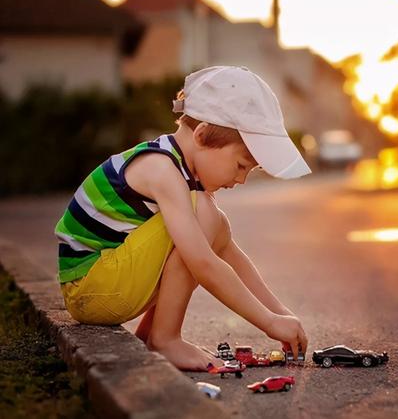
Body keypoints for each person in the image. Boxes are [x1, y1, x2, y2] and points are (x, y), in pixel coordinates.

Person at [54, 66, 311, 371]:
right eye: (241, 165)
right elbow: (203, 263)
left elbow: (230, 256)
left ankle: (155, 335)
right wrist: (268, 323)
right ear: (202, 135)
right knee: (204, 213)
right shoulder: (161, 169)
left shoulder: (178, 172)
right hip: (92, 289)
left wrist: (281, 315)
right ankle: (165, 340)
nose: (241, 180)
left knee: (214, 222)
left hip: (107, 284)